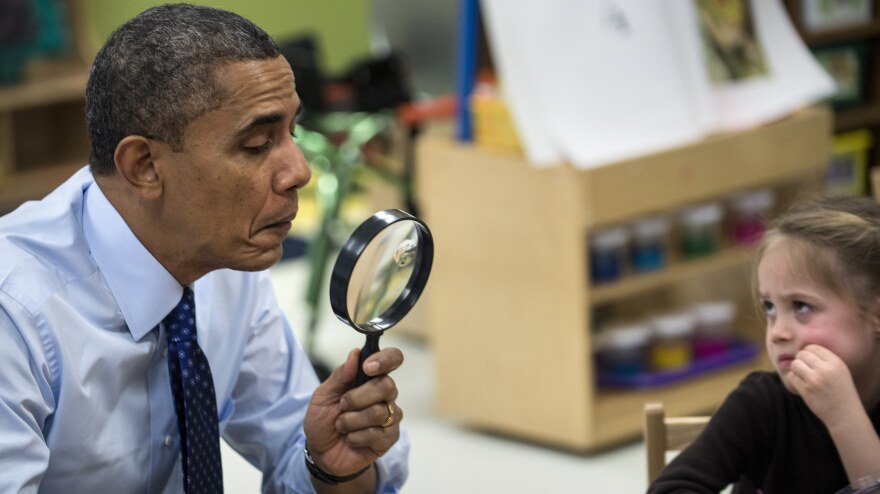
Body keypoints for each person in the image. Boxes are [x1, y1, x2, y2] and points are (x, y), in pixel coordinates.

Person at [0, 4, 409, 493]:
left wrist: (333, 465)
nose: (299, 171)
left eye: (292, 132)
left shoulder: (227, 258)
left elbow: (299, 454)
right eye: (258, 144)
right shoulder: (15, 316)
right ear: (144, 166)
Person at [649, 195, 880, 494]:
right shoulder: (760, 404)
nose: (777, 332)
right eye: (769, 307)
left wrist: (843, 417)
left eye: (801, 306)